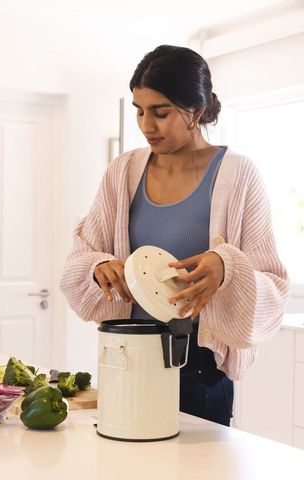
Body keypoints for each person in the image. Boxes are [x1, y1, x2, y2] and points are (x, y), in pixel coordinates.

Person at [60, 45, 290, 426]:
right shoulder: (122, 171)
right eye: (139, 111)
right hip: (127, 355)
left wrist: (226, 267)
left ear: (195, 112)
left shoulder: (238, 175)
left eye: (161, 112)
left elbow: (273, 287)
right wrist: (98, 265)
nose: (147, 125)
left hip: (198, 369)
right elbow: (80, 256)